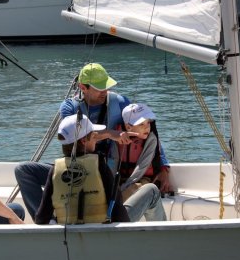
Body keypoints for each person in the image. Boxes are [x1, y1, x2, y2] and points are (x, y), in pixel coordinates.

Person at [15, 62, 168, 221]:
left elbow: (146, 130)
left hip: (105, 166)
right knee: (23, 170)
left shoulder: (120, 102)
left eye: (106, 86)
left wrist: (163, 167)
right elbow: (74, 136)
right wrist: (109, 133)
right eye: (99, 88)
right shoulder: (69, 107)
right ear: (83, 87)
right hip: (83, 168)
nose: (105, 91)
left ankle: (48, 220)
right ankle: (49, 225)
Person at [35, 114, 129, 224]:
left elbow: (41, 218)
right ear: (84, 141)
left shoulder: (55, 169)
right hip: (101, 233)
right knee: (151, 190)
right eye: (94, 136)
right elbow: (117, 208)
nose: (96, 140)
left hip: (68, 237)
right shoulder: (99, 164)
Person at [113, 103, 168, 221]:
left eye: (148, 123)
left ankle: (118, 219)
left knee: (134, 188)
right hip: (119, 179)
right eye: (141, 124)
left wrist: (122, 189)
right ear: (128, 127)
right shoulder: (115, 138)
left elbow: (141, 169)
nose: (147, 127)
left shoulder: (151, 140)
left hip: (140, 180)